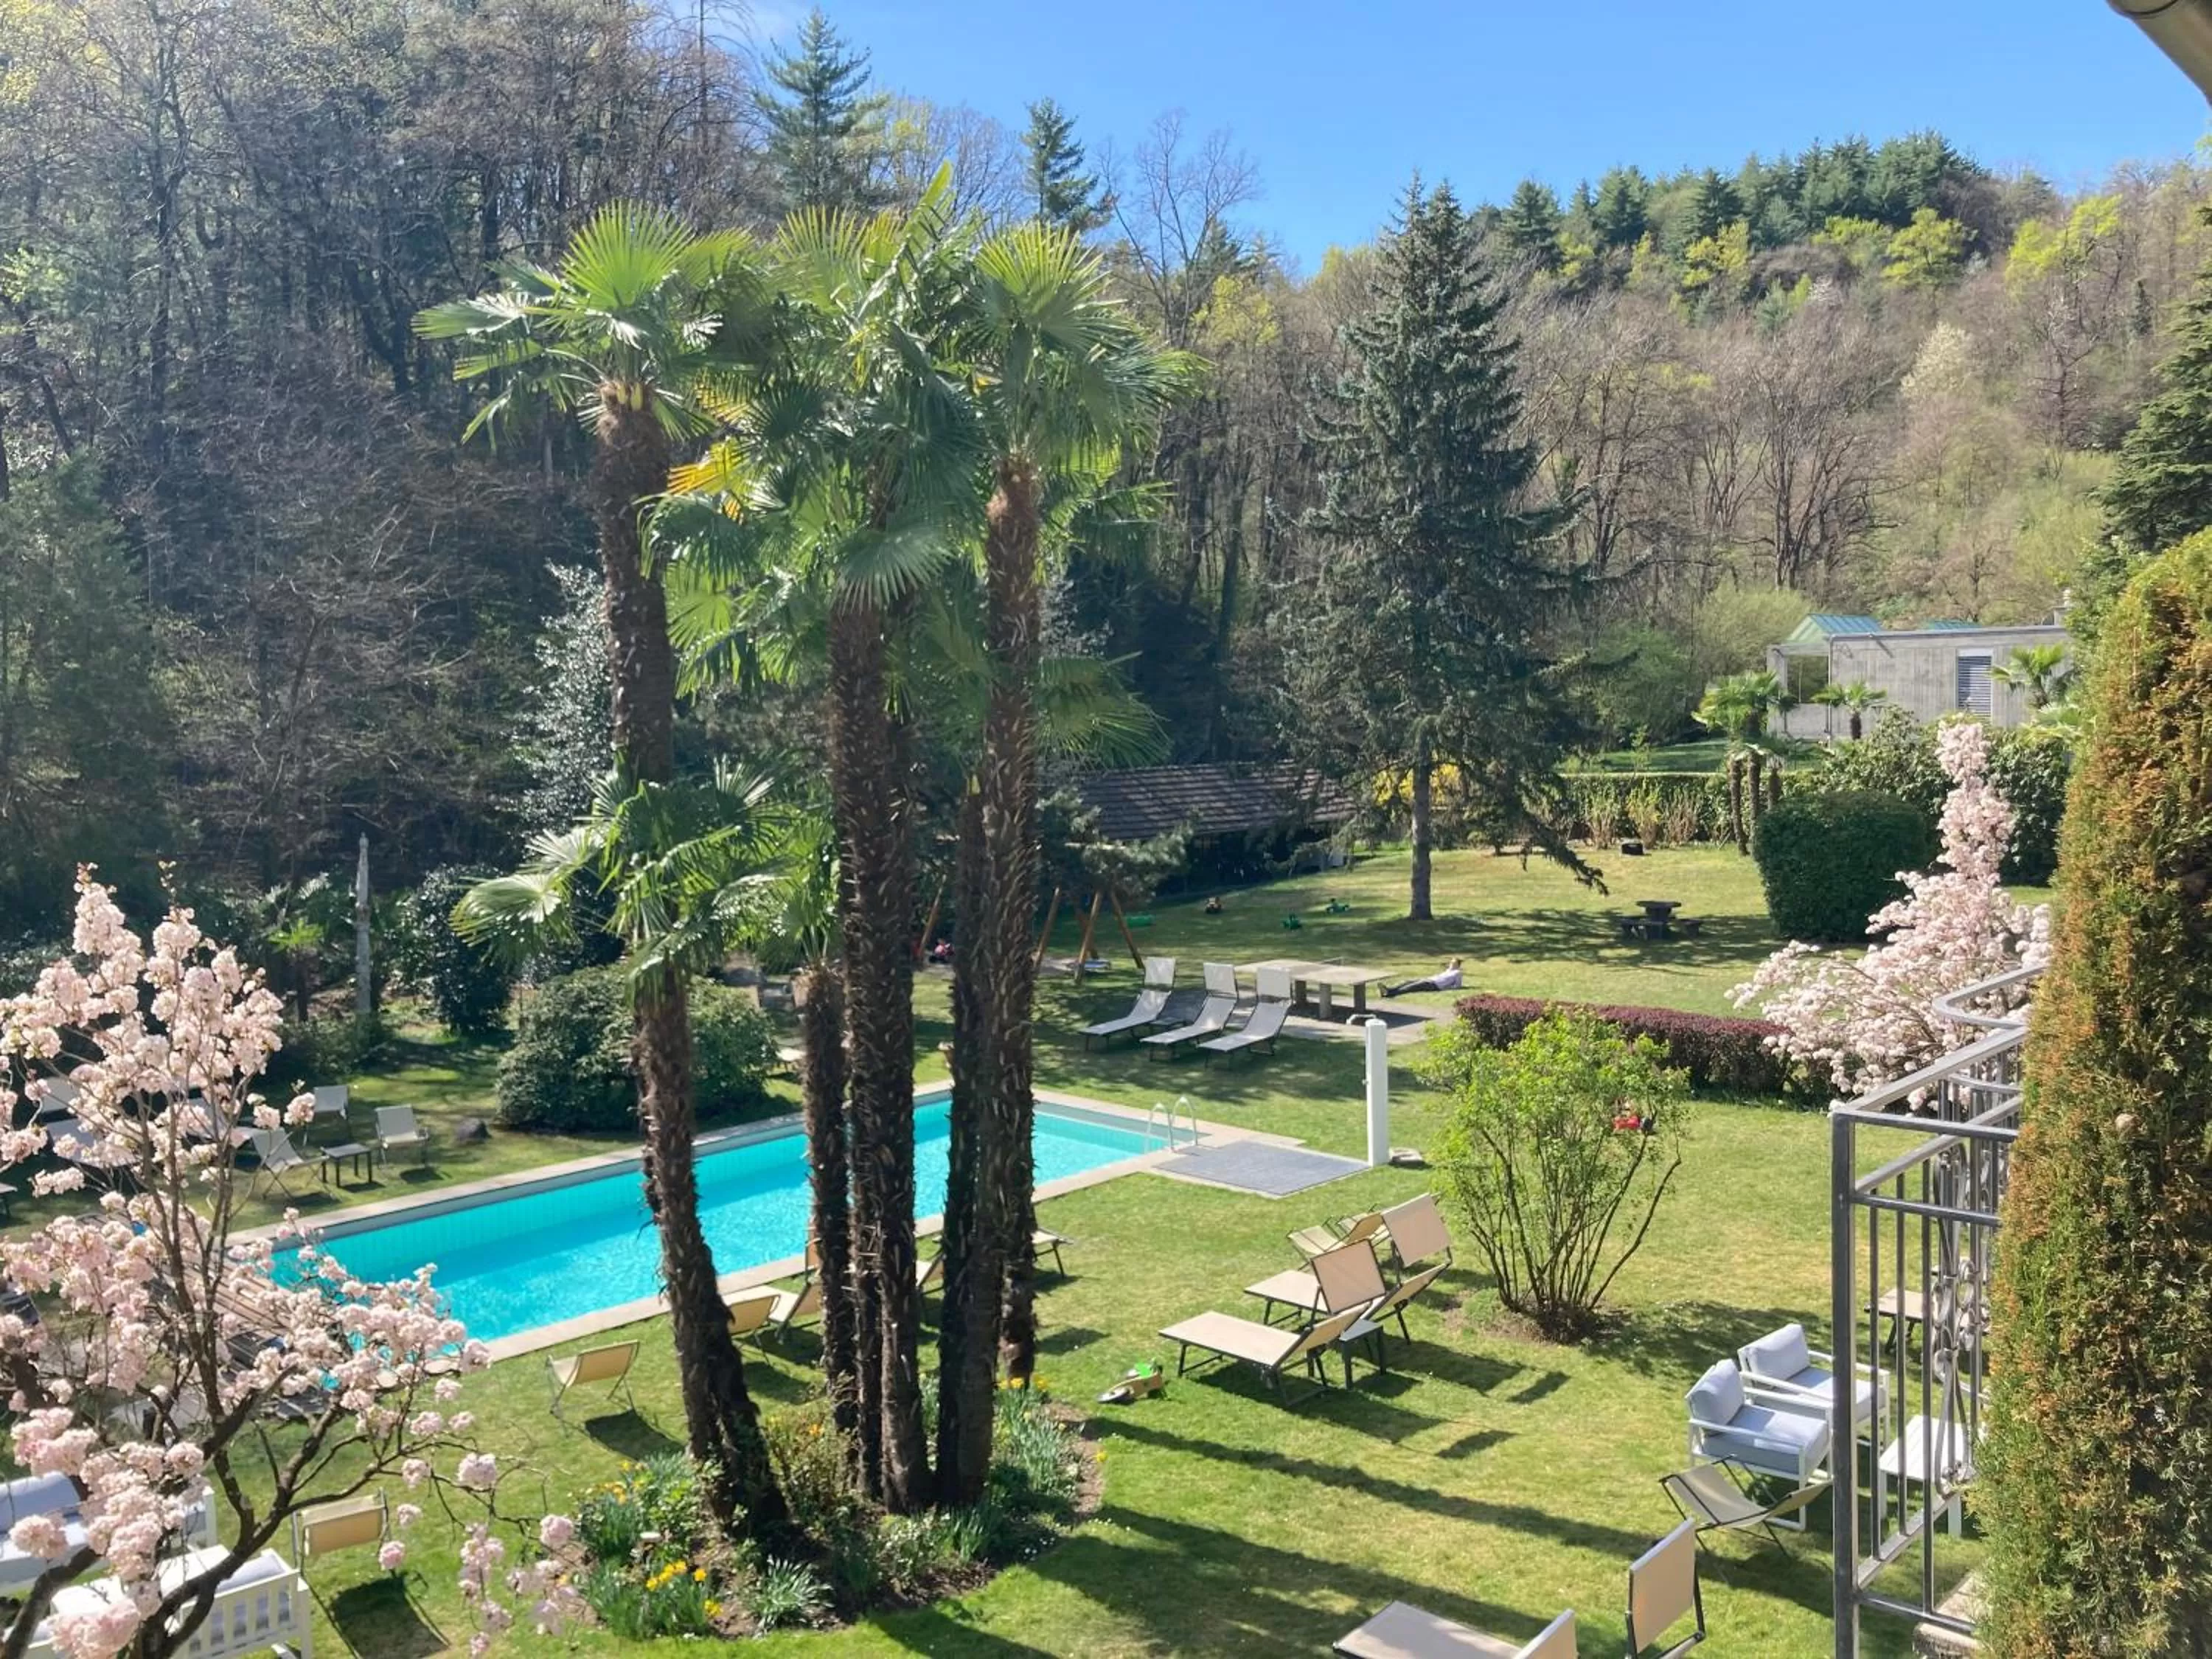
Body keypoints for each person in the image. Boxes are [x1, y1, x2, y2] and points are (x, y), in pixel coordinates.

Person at [1384, 957, 1463, 997]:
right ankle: (1390, 989)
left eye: (1453, 963)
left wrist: (1445, 988)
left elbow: (1458, 986)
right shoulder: (1448, 970)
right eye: (1451, 962)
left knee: (1412, 987)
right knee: (1408, 982)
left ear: (1457, 965)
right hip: (1429, 980)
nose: (1451, 964)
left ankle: (1391, 993)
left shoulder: (1457, 973)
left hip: (1434, 985)